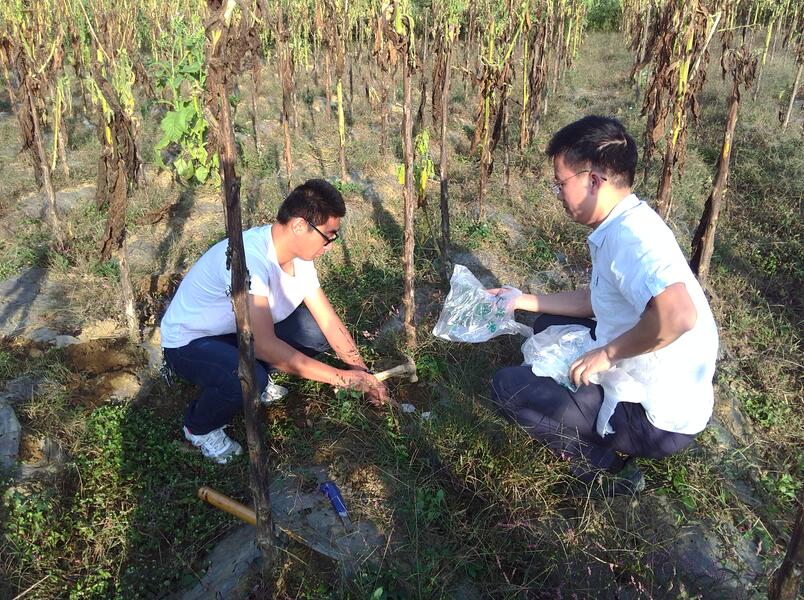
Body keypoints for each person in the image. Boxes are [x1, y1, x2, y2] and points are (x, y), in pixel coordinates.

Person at [490, 116, 718, 495]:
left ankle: (601, 468)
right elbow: (596, 300)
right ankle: (599, 432)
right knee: (546, 323)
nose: (558, 194)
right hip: (656, 379)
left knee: (506, 388)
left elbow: (678, 315)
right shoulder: (625, 222)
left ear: (593, 179)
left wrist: (606, 354)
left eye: (560, 183)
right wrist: (520, 301)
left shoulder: (630, 238)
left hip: (657, 418)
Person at [161, 179, 389, 463]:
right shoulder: (249, 261)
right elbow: (265, 345)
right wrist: (342, 379)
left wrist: (362, 372)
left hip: (234, 332)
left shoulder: (300, 258)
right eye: (329, 236)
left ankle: (255, 374)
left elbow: (328, 321)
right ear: (298, 226)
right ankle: (199, 427)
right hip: (190, 342)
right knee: (248, 377)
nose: (330, 245)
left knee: (314, 332)